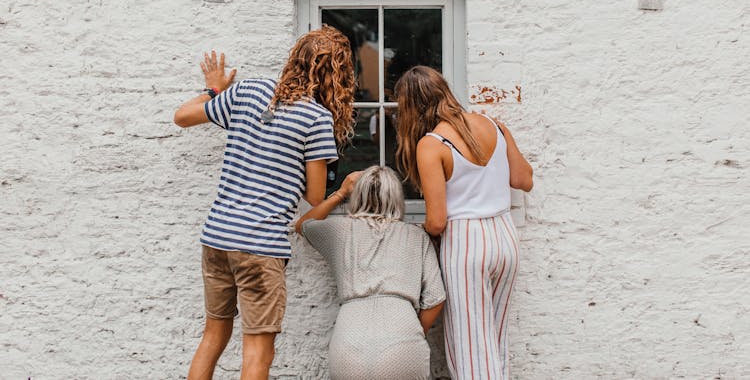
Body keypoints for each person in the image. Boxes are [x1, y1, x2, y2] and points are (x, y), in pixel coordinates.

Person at [173, 25, 355, 380]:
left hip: (217, 237)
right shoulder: (317, 119)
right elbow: (315, 196)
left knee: (213, 335)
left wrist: (214, 89)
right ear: (337, 76)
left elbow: (183, 116)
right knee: (258, 351)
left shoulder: (251, 90)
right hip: (260, 245)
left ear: (296, 59)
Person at [394, 66, 533, 380]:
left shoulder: (431, 145)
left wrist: (416, 233)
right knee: (495, 339)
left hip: (467, 242)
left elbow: (437, 221)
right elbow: (523, 180)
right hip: (504, 235)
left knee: (470, 346)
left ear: (412, 107)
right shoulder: (491, 125)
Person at [294, 166, 446, 380]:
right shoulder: (416, 235)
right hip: (403, 336)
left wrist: (340, 193)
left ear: (358, 196)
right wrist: (414, 330)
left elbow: (303, 224)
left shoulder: (340, 230)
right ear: (397, 198)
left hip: (350, 337)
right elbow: (435, 298)